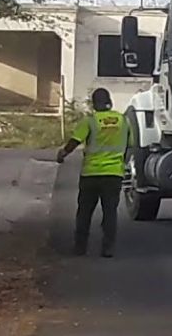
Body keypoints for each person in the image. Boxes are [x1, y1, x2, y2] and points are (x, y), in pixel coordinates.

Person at [56, 88, 132, 258]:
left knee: (84, 212)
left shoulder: (90, 121)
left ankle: (80, 247)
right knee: (110, 212)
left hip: (91, 174)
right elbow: (130, 144)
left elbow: (74, 142)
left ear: (94, 104)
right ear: (110, 101)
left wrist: (62, 154)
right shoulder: (123, 120)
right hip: (114, 174)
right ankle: (108, 248)